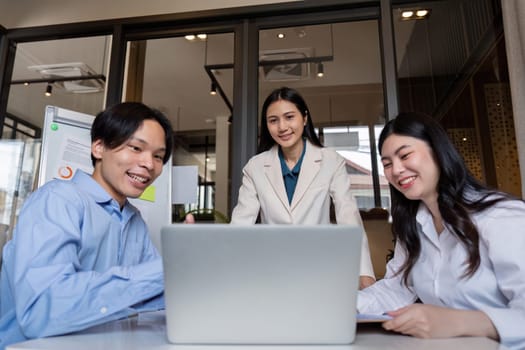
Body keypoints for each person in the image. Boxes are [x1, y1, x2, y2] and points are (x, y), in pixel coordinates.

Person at [0, 102, 193, 350]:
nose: (149, 164)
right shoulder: (58, 200)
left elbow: (146, 294)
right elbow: (41, 311)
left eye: (158, 156)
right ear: (99, 147)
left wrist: (190, 268)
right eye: (136, 148)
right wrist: (168, 268)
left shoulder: (134, 221)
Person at [357, 112, 525, 349]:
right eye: (387, 164)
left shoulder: (502, 216)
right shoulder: (414, 224)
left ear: (437, 151)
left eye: (405, 155)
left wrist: (461, 322)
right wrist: (341, 306)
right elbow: (394, 289)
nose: (396, 170)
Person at [230, 87, 375, 289]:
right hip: (271, 272)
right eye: (273, 120)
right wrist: (227, 269)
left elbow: (349, 217)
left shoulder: (331, 161)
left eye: (289, 117)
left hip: (321, 270)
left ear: (304, 118)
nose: (282, 127)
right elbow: (240, 225)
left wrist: (363, 273)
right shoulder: (255, 167)